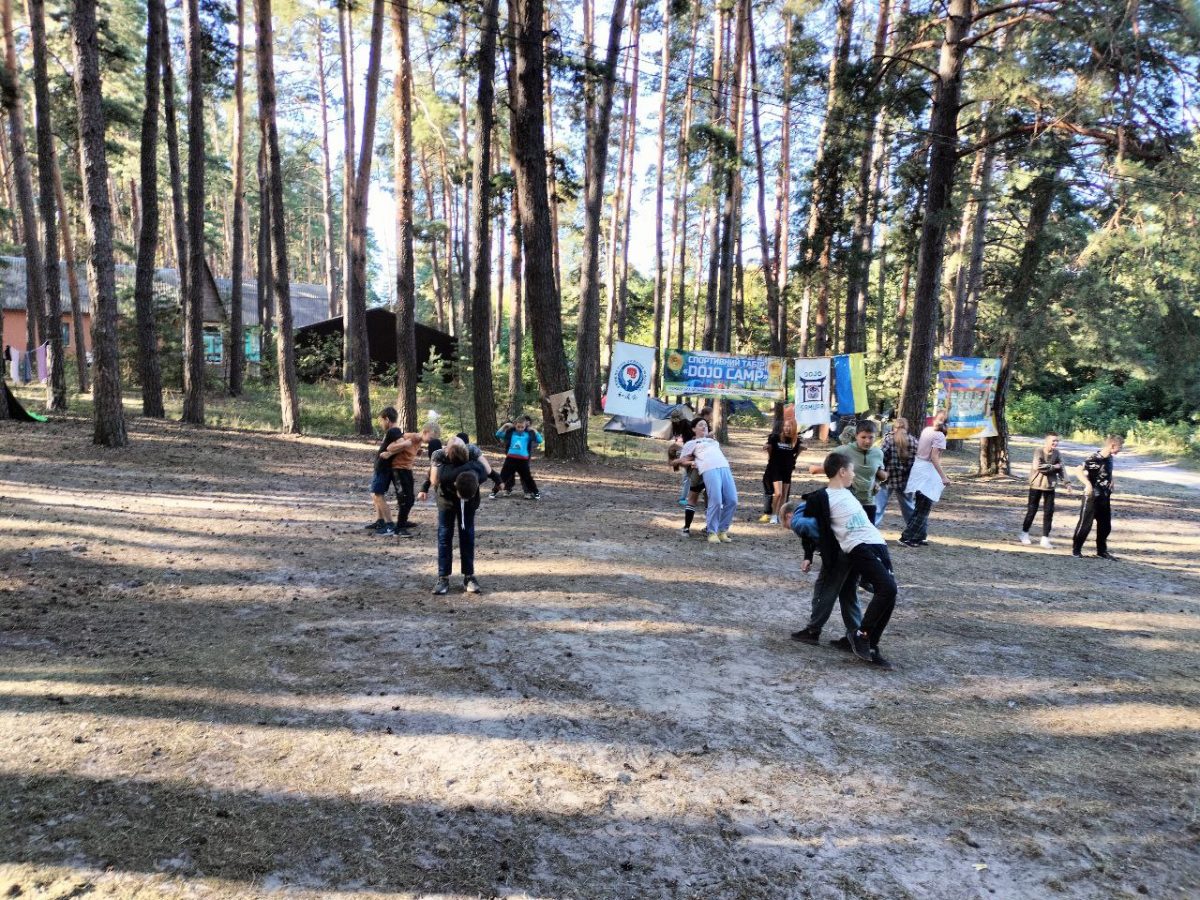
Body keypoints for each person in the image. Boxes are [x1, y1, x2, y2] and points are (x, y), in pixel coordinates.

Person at [821, 451, 899, 669]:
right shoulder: (825, 497)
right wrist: (811, 554)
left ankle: (870, 644)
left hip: (877, 543)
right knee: (888, 588)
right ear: (842, 472)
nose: (854, 474)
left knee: (890, 593)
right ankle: (861, 634)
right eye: (852, 471)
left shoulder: (847, 493)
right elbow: (811, 523)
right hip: (859, 546)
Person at [781, 493, 861, 652]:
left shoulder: (797, 520)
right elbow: (809, 536)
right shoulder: (812, 508)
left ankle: (812, 630)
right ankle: (855, 636)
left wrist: (828, 554)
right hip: (856, 546)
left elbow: (810, 527)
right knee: (848, 592)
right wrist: (808, 556)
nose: (791, 529)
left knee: (823, 589)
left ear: (788, 515)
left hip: (840, 551)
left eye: (786, 525)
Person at [429, 439, 488, 595]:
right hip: (446, 502)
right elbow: (435, 480)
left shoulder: (473, 456)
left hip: (467, 502)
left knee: (467, 536)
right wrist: (467, 468)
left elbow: (486, 472)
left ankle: (469, 576)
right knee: (444, 537)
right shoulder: (441, 459)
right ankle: (443, 577)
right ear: (447, 451)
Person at [673, 417, 738, 543]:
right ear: (693, 429)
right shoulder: (691, 444)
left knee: (732, 500)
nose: (704, 426)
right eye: (700, 425)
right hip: (708, 469)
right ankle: (712, 532)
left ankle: (722, 531)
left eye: (706, 425)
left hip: (724, 467)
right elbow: (682, 461)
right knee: (716, 500)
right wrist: (692, 462)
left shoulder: (713, 441)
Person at [811, 420, 886, 524]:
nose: (867, 441)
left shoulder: (878, 453)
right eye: (863, 437)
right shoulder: (843, 450)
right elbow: (827, 466)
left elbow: (877, 473)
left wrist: (877, 482)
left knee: (868, 533)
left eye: (871, 437)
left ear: (875, 437)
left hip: (869, 502)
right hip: (848, 501)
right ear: (856, 436)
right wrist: (818, 469)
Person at [899, 410, 952, 548]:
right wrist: (943, 477)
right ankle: (906, 537)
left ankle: (920, 536)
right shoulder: (940, 435)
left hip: (918, 469)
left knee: (920, 506)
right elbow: (934, 457)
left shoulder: (927, 430)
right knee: (923, 508)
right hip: (927, 473)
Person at [1072, 435, 1123, 560]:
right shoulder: (1094, 458)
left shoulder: (1109, 458)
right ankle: (1076, 550)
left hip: (1105, 496)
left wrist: (1112, 480)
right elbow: (1078, 470)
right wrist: (1087, 484)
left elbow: (1107, 472)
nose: (1120, 450)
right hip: (1092, 497)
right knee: (1085, 525)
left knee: (1105, 526)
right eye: (1120, 447)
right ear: (1112, 445)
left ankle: (1102, 551)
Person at [1021, 432, 1070, 548]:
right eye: (1053, 441)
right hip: (1036, 485)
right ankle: (1024, 533)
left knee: (1049, 512)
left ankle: (1045, 538)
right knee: (1032, 511)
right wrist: (1053, 467)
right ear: (1047, 441)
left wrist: (1067, 483)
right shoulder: (1039, 451)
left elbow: (1062, 468)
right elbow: (1037, 467)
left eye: (1057, 441)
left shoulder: (1057, 453)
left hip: (1049, 486)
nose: (1055, 443)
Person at [366, 407, 404, 535]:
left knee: (378, 495)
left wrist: (389, 453)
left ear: (387, 419)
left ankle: (389, 525)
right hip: (381, 468)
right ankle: (380, 521)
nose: (381, 424)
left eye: (381, 421)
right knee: (375, 494)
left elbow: (403, 444)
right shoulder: (392, 431)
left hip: (383, 469)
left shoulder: (393, 431)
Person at [874, 417, 918, 527]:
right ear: (907, 428)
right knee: (909, 507)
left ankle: (872, 530)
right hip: (906, 481)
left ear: (894, 427)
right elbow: (917, 462)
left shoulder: (888, 440)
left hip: (886, 480)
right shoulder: (914, 441)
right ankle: (914, 531)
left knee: (878, 508)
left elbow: (880, 458)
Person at [759, 419, 804, 525]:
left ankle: (780, 515)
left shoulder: (795, 440)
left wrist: (800, 451)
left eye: (789, 426)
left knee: (784, 495)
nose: (787, 428)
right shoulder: (775, 437)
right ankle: (773, 515)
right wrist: (766, 447)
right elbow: (769, 447)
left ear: (794, 428)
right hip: (775, 468)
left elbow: (793, 457)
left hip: (787, 469)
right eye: (785, 426)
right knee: (778, 493)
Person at [492, 415, 543, 499]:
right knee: (506, 475)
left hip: (523, 458)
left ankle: (531, 492)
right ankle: (501, 490)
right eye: (518, 426)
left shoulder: (528, 434)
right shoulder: (511, 433)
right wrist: (505, 425)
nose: (520, 429)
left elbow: (539, 440)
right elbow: (498, 434)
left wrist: (534, 430)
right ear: (515, 425)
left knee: (526, 476)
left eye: (522, 427)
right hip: (511, 457)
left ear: (526, 426)